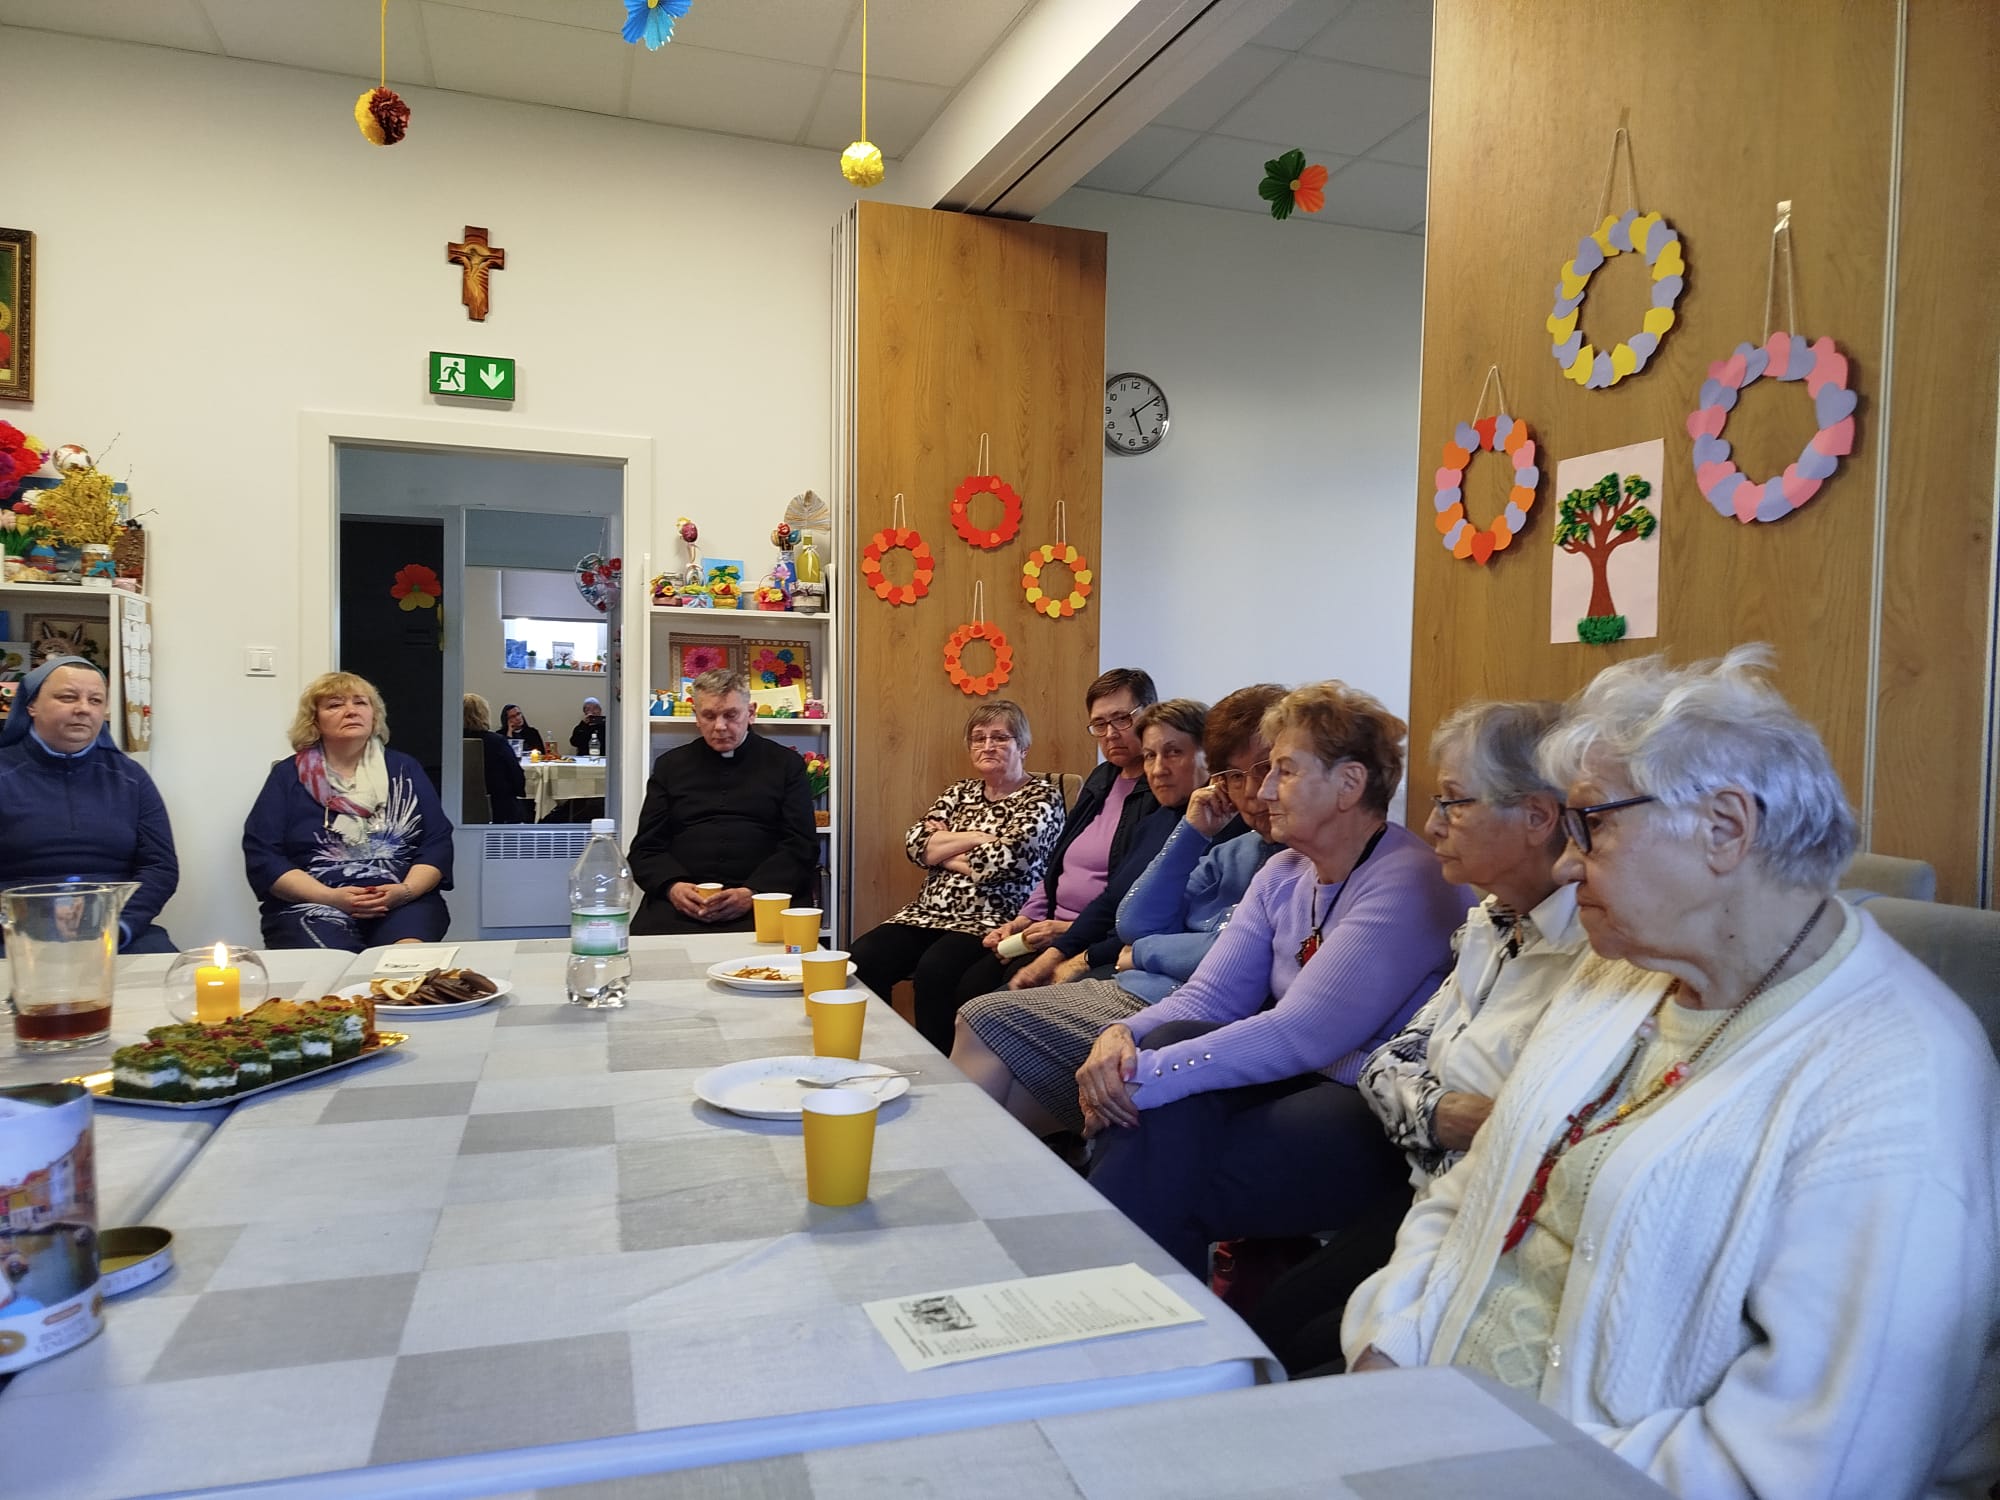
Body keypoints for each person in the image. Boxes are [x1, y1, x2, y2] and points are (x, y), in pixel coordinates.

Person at [1342, 648, 2000, 1500]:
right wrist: (1388, 1342)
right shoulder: (1619, 970)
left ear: (1725, 827)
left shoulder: (1898, 1081)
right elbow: (1476, 1184)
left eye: (1592, 824)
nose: (1567, 862)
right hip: (1427, 1417)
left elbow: (1814, 1466)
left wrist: (1491, 1466)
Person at [1079, 681, 1473, 1277]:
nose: (1261, 793)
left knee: (1169, 1166)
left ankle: (1107, 1287)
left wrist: (1141, 1079)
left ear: (1349, 784)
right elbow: (1212, 997)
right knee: (1165, 1050)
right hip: (1304, 1076)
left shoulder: (1408, 880)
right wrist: (1120, 1039)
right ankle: (1132, 1302)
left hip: (1373, 1102)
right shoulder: (1285, 872)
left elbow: (1301, 1033)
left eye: (1282, 772)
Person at [1249, 698, 1587, 1375]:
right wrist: (1439, 1112)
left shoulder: (1590, 946)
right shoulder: (1491, 922)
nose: (1431, 825)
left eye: (1454, 803)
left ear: (1537, 818)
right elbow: (1389, 1061)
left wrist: (1448, 1114)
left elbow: (1537, 1131)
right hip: (1431, 1190)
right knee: (1272, 1327)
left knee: (1303, 1356)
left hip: (1496, 1218)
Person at [952, 684, 1286, 1135]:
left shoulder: (1268, 853)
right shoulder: (1209, 838)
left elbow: (1230, 952)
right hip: (1140, 981)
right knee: (1001, 1082)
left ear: (1205, 763)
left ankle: (958, 1159)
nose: (1257, 793)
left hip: (1170, 999)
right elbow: (1130, 916)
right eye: (1150, 756)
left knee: (982, 1017)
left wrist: (1126, 953)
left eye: (1173, 753)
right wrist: (1190, 831)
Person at [849, 701, 1066, 1048]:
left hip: (992, 917)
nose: (987, 746)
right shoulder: (959, 792)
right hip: (927, 914)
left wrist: (944, 849)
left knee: (935, 970)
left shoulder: (1042, 797)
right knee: (864, 956)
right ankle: (885, 1050)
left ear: (1023, 747)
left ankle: (939, 1063)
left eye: (1000, 737)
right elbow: (916, 845)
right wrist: (978, 838)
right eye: (978, 738)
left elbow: (1006, 861)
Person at [946, 668, 1161, 1006]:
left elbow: (1132, 898)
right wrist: (1024, 919)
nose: (1110, 734)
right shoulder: (1102, 778)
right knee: (966, 984)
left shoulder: (1159, 791)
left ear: (1150, 715)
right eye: (1099, 724)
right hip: (1048, 925)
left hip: (1090, 937)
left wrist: (1066, 930)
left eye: (1122, 719)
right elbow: (1057, 866)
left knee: (994, 997)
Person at [1002, 698, 1211, 992]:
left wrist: (1083, 959)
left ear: (1210, 756)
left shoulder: (1216, 828)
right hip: (1104, 946)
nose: (1158, 769)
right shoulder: (1155, 821)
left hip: (1153, 971)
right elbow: (1111, 899)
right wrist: (1053, 955)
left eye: (1174, 752)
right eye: (1150, 755)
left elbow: (1157, 925)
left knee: (992, 1010)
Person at [243, 671, 453, 950]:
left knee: (404, 961)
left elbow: (437, 842)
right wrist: (330, 897)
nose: (351, 711)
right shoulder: (287, 775)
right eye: (335, 704)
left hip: (401, 900)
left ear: (374, 716)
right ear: (314, 720)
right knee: (331, 963)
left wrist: (405, 891)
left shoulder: (405, 769)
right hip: (313, 902)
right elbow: (263, 854)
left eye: (360, 703)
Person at [0, 654, 179, 953]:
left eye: (95, 700)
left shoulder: (131, 778)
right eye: (68, 697)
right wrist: (31, 917)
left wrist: (117, 926)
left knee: (172, 973)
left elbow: (160, 867)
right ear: (31, 705)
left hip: (115, 929)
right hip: (13, 933)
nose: (83, 708)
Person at [628, 668, 817, 935]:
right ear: (696, 716)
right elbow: (646, 848)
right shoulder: (670, 766)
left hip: (763, 899)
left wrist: (753, 893)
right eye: (709, 715)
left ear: (750, 713)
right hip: (681, 905)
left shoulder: (786, 764)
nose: (720, 726)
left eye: (731, 715)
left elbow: (802, 845)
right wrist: (673, 887)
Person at [463, 693, 527, 823]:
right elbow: (516, 776)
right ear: (483, 714)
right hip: (498, 806)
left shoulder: (450, 742)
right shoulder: (497, 742)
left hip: (458, 805)